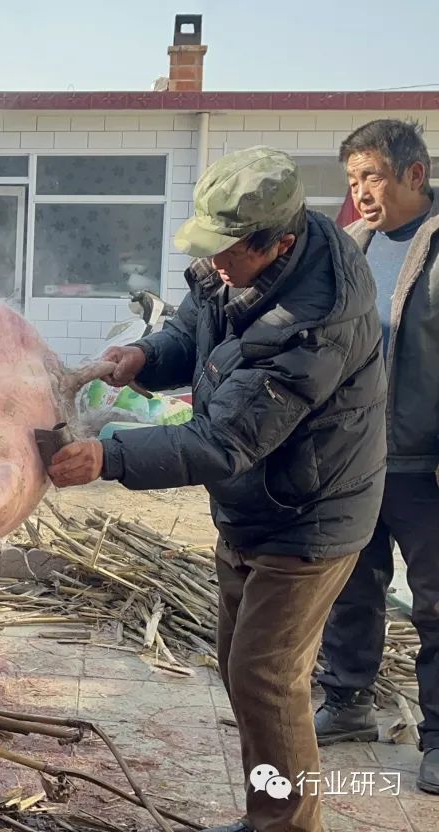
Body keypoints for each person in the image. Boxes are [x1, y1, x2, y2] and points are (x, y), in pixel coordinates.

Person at [48, 147, 386, 832]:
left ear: (278, 243)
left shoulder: (312, 326)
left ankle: (285, 826)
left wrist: (109, 457)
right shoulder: (238, 264)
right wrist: (147, 355)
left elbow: (222, 441)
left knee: (265, 677)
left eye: (228, 251)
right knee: (243, 670)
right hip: (254, 504)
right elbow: (196, 329)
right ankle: (272, 815)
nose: (217, 263)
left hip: (310, 514)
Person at [314, 119, 439, 794]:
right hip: (357, 459)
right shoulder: (351, 245)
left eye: (373, 176)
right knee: (352, 586)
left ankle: (438, 738)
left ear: (414, 174)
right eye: (353, 179)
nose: (360, 192)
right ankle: (348, 702)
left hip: (425, 464)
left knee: (436, 604)